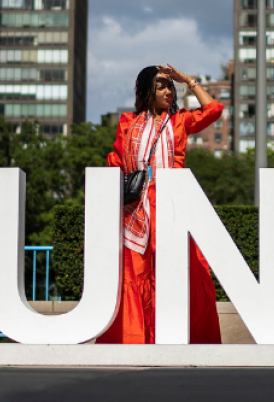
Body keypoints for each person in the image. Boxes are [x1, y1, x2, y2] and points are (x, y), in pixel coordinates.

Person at [98, 65, 224, 344]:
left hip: (171, 204)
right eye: (162, 85)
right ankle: (136, 340)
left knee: (181, 272)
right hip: (135, 210)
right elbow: (116, 162)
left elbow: (213, 109)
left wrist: (188, 80)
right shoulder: (127, 122)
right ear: (146, 90)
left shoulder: (179, 121)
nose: (169, 91)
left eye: (171, 86)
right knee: (136, 275)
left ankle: (179, 336)